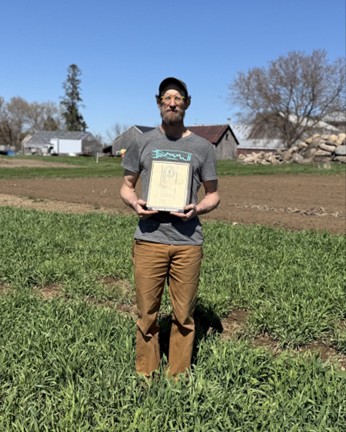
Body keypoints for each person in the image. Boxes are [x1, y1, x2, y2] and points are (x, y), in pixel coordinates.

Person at [120, 77, 220, 378]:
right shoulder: (142, 142)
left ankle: (177, 376)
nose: (172, 103)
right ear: (159, 103)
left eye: (177, 98)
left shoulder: (202, 147)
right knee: (146, 313)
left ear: (186, 103)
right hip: (149, 238)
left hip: (188, 242)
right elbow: (126, 186)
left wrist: (198, 208)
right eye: (167, 98)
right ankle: (145, 375)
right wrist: (135, 203)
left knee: (184, 315)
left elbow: (214, 194)